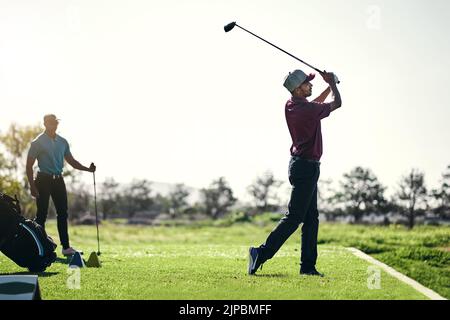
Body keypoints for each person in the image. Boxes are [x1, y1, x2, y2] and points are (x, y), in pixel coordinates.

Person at [248, 69, 342, 276]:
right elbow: (337, 104)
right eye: (307, 84)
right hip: (306, 167)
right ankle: (260, 253)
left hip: (303, 166)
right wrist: (333, 85)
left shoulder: (293, 104)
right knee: (295, 217)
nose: (311, 85)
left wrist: (328, 85)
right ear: (298, 89)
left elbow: (315, 104)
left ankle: (307, 267)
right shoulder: (306, 110)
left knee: (311, 218)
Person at [26, 114, 96, 256]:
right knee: (41, 215)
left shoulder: (62, 142)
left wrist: (88, 169)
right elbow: (29, 165)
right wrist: (32, 186)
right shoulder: (37, 142)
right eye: (51, 123)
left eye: (55, 123)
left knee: (63, 213)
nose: (53, 125)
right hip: (43, 180)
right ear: (45, 124)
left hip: (58, 180)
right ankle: (42, 247)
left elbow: (72, 161)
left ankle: (66, 247)